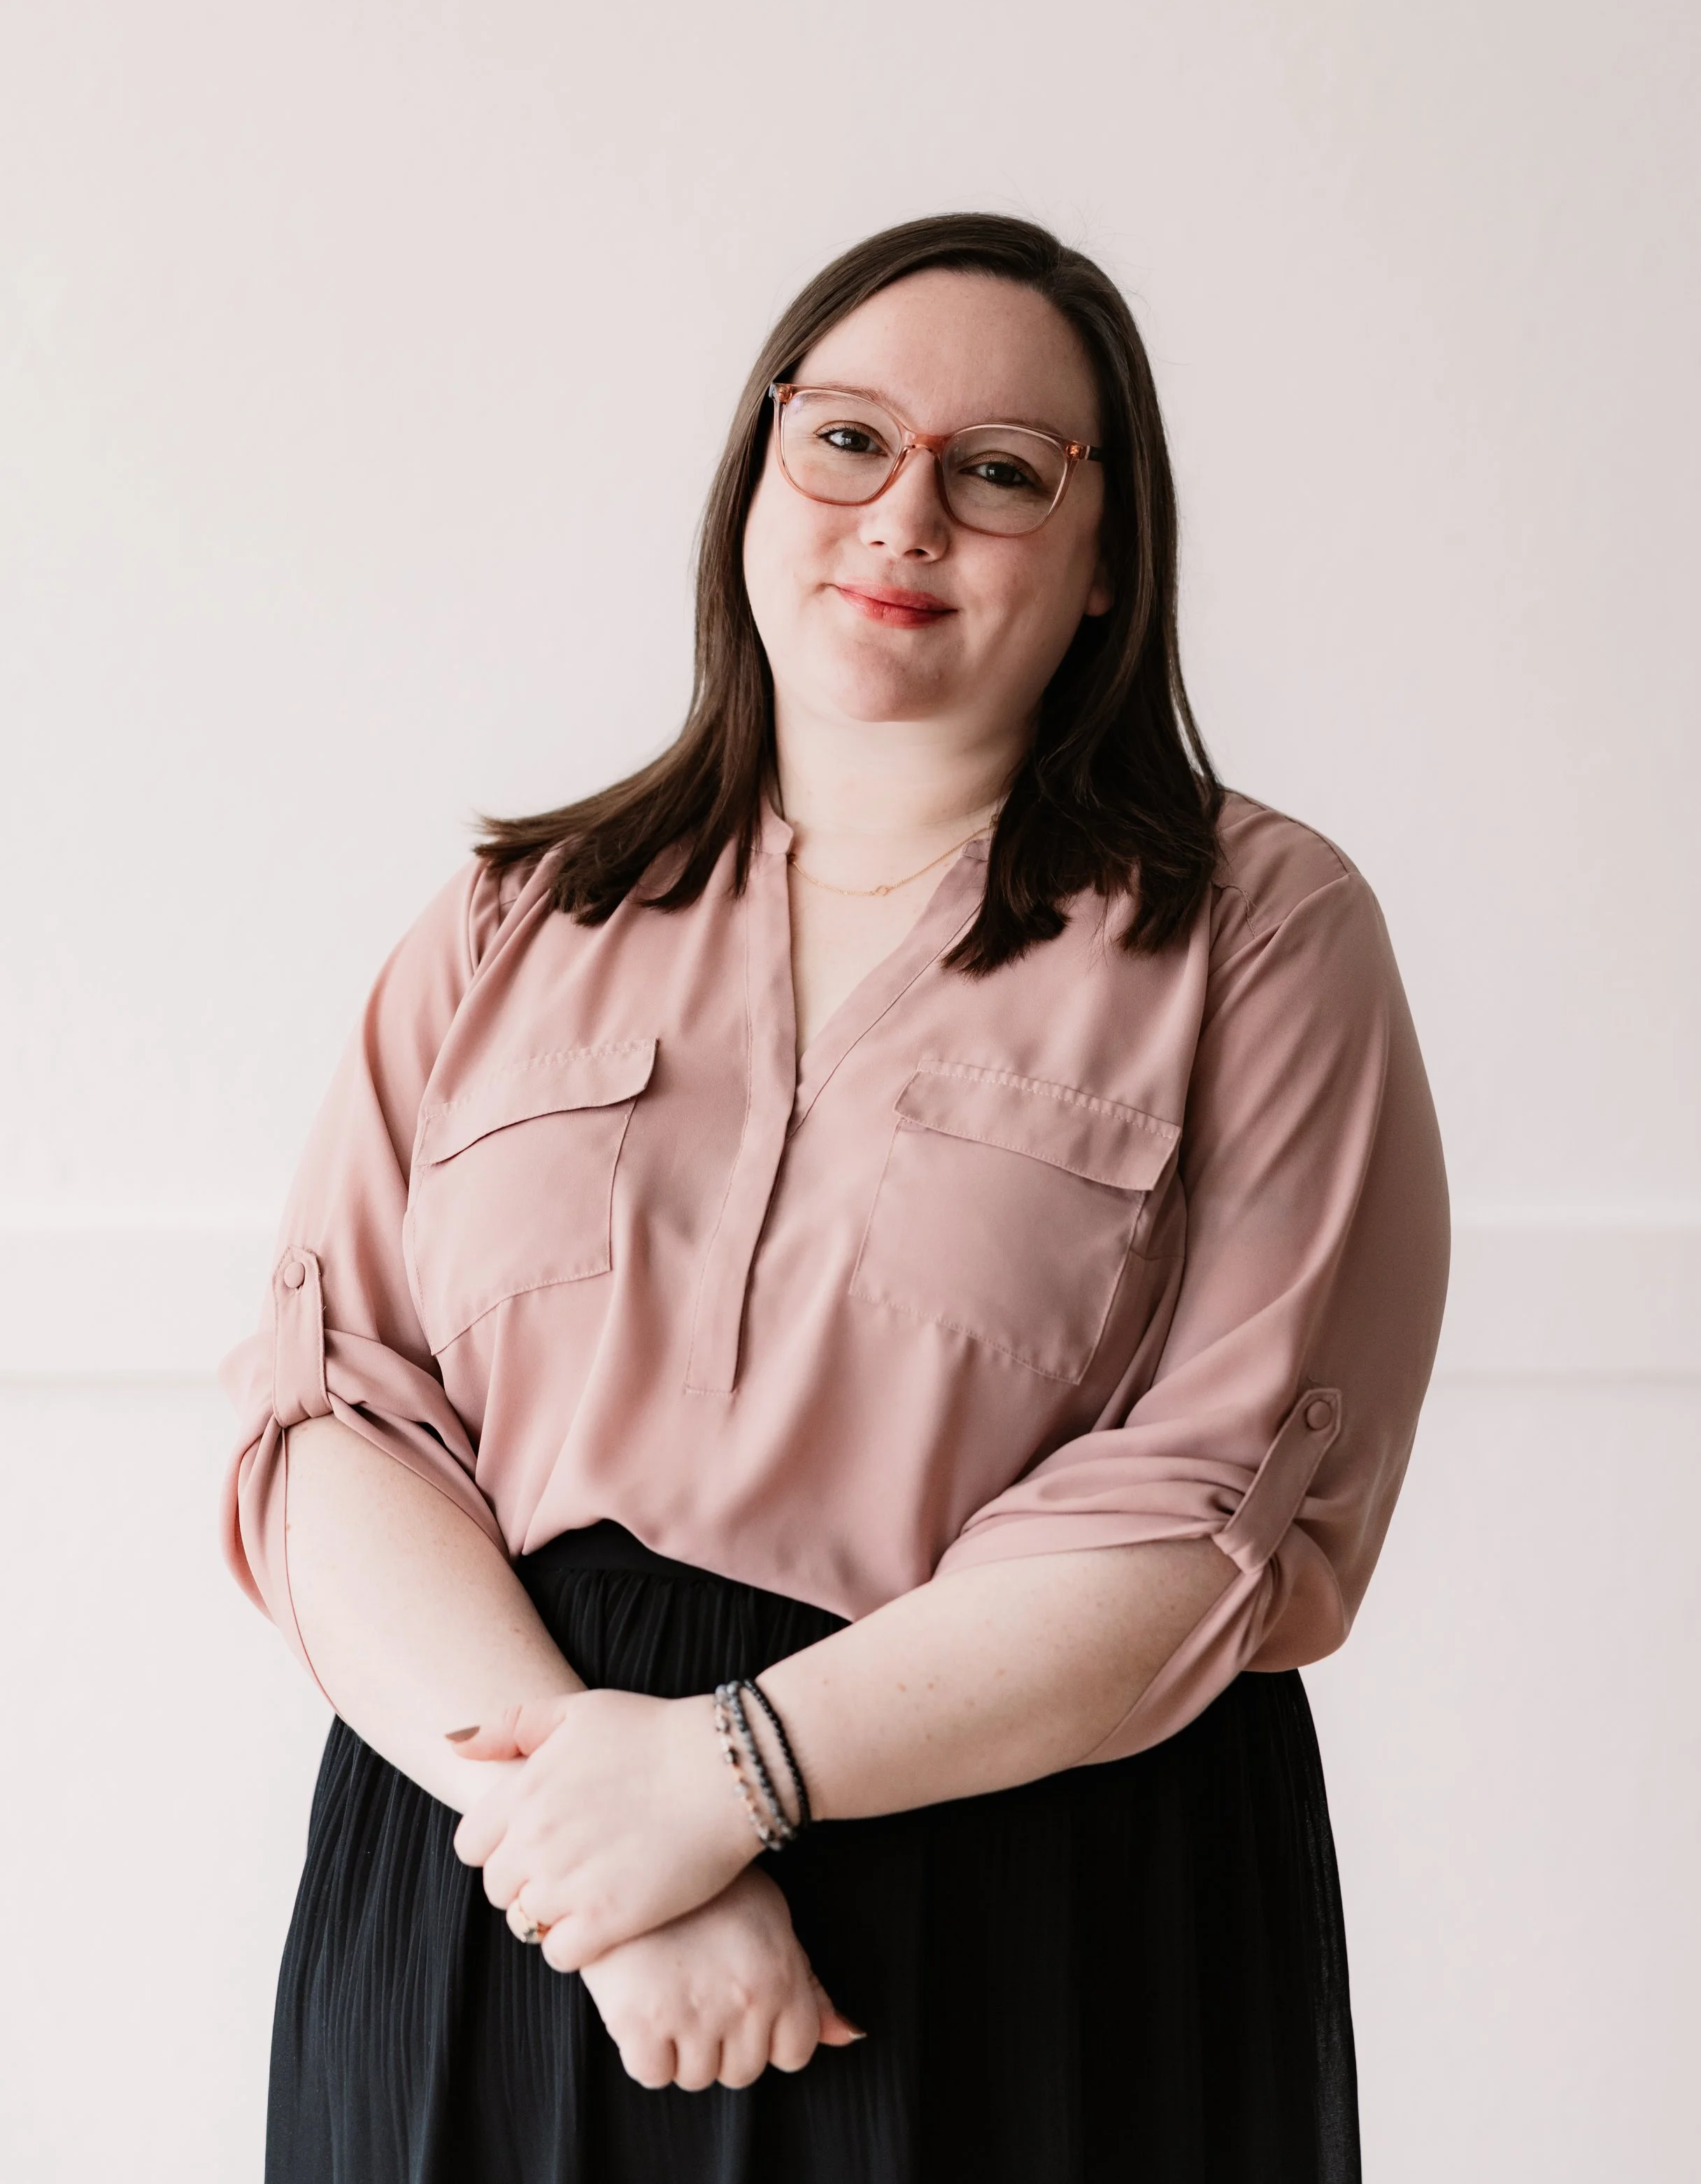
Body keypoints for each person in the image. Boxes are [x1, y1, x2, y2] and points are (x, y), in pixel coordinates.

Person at [222, 211, 1448, 2183]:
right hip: (508, 1904)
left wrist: (728, 1777)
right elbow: (338, 1425)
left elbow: (1216, 1494)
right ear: (756, 473)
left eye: (998, 469)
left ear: (1106, 547)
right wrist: (611, 1867)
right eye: (848, 440)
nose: (905, 518)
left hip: (1005, 1914)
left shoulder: (1258, 935)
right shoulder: (512, 921)